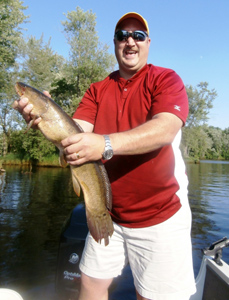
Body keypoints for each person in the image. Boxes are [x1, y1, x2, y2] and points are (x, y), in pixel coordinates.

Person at [14, 12, 196, 300]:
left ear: (148, 43)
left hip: (160, 216)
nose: (130, 42)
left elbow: (165, 128)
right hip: (108, 211)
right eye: (123, 35)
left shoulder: (165, 79)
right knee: (90, 283)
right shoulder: (97, 90)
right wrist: (43, 116)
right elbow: (74, 137)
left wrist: (105, 143)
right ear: (114, 43)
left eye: (138, 36)